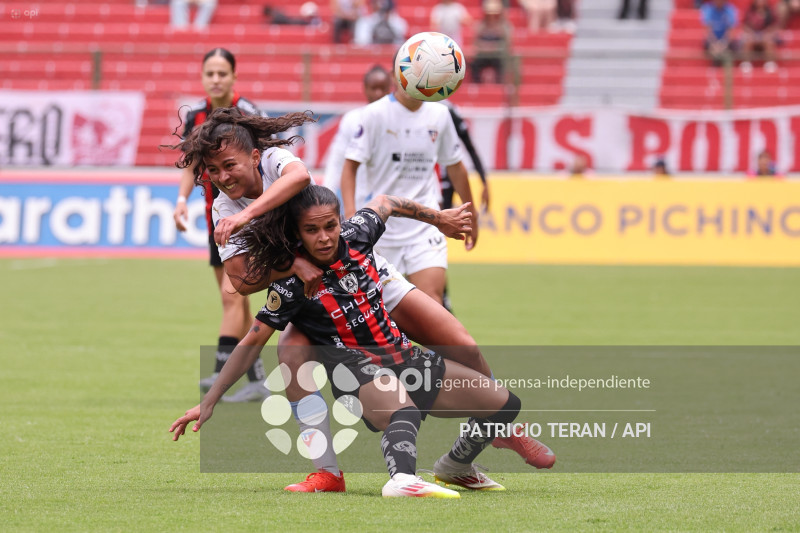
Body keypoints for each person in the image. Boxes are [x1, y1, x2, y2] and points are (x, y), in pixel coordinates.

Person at [172, 107, 556, 490]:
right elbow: (240, 278)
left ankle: (499, 426)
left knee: (462, 344)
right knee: (291, 357)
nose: (223, 178)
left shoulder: (274, 162)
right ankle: (327, 471)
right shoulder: (222, 205)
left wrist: (441, 219)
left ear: (254, 157)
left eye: (229, 166)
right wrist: (293, 267)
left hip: (361, 271)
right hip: (309, 290)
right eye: (214, 171)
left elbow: (306, 177)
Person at [171, 48, 270, 403]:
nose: (215, 79)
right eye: (209, 73)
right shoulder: (197, 114)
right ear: (203, 77)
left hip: (253, 217)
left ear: (233, 76)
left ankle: (220, 370)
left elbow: (268, 159)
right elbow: (190, 163)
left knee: (233, 297)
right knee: (235, 300)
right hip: (219, 218)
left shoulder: (248, 113)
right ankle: (257, 377)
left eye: (222, 73)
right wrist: (182, 200)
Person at [340, 72, 480, 307]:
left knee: (432, 303)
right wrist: (354, 217)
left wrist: (471, 215)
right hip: (381, 227)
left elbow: (455, 166)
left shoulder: (440, 114)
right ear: (397, 75)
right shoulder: (374, 113)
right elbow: (349, 167)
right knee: (377, 307)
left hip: (425, 226)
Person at [323, 64, 393, 206]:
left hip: (391, 201)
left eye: (383, 88)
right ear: (365, 89)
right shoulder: (352, 119)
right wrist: (326, 197)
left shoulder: (399, 119)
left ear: (390, 89)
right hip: (358, 200)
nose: (378, 93)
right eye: (374, 88)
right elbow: (336, 160)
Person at [471, 0, 513, 83]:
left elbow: (508, 44)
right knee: (474, 64)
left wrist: (493, 47)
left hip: (498, 56)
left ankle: (500, 85)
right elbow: (475, 43)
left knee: (502, 65)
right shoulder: (480, 26)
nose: (492, 17)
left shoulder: (505, 26)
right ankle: (477, 84)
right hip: (483, 56)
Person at [740, 0, 780, 73]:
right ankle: (746, 63)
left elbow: (775, 26)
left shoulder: (771, 12)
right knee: (748, 40)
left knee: (768, 40)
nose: (760, 2)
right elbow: (744, 25)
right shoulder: (749, 12)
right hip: (752, 36)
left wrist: (767, 33)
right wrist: (751, 33)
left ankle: (770, 63)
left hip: (766, 36)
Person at [701, 0, 739, 66]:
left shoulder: (730, 10)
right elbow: (707, 31)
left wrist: (723, 44)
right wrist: (714, 45)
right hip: (712, 42)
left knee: (733, 46)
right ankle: (715, 68)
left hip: (726, 42)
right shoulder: (708, 9)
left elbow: (731, 32)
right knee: (712, 49)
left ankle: (728, 68)